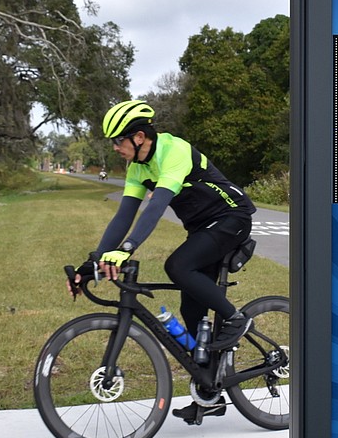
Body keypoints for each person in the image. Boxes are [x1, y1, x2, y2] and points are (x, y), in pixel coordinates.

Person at [71, 99, 256, 420]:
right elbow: (124, 216)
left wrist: (127, 248)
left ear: (139, 137)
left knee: (177, 266)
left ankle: (236, 319)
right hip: (202, 228)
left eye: (118, 140)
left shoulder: (173, 151)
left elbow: (155, 207)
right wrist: (93, 262)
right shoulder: (137, 168)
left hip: (231, 218)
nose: (115, 147)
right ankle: (210, 393)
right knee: (191, 310)